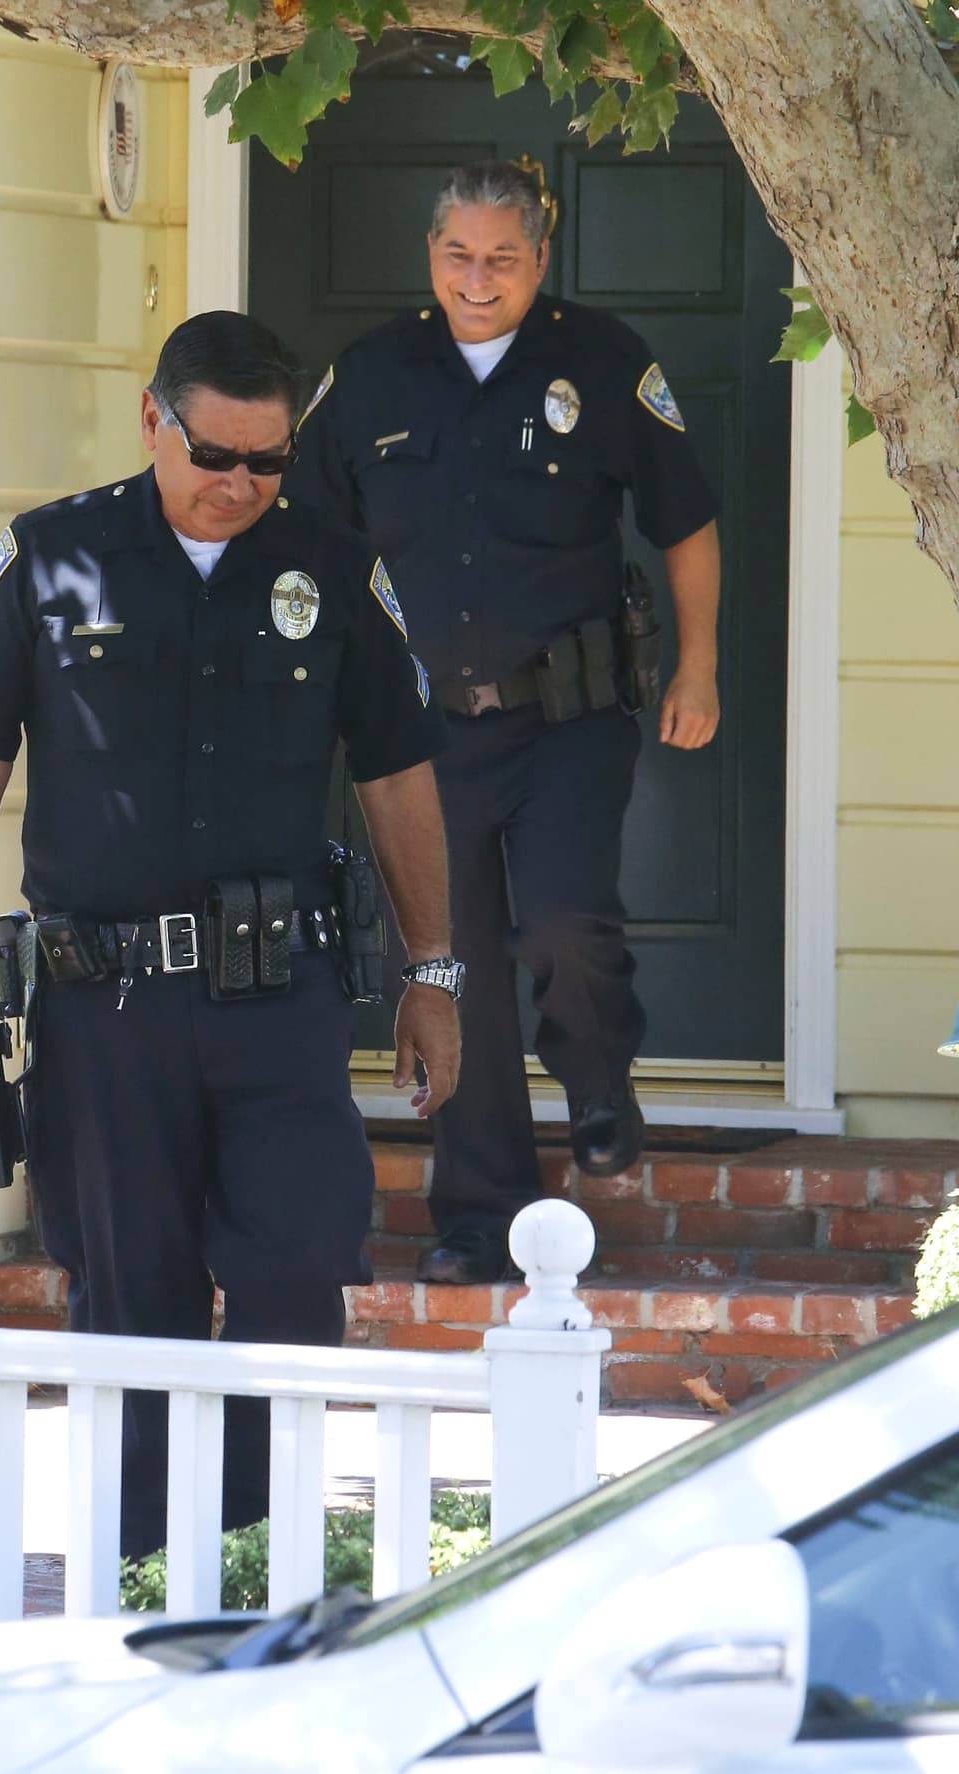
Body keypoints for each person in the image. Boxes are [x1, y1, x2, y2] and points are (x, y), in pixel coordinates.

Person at [0, 311, 462, 1558]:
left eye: (267, 463)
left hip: (278, 1001)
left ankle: (257, 1554)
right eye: (215, 453)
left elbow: (395, 777)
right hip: (104, 1007)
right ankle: (145, 1570)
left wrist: (433, 973)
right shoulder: (51, 556)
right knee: (128, 1300)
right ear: (152, 417)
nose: (239, 486)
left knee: (296, 1258)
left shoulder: (329, 565)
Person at [288, 160, 721, 1286]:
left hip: (566, 719)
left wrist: (699, 665)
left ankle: (595, 1076)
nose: (476, 281)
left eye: (501, 258)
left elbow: (683, 520)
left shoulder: (604, 362)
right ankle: (478, 1215)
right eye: (455, 255)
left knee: (569, 921)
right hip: (420, 738)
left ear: (541, 255)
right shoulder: (370, 378)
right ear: (428, 253)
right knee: (450, 967)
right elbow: (307, 548)